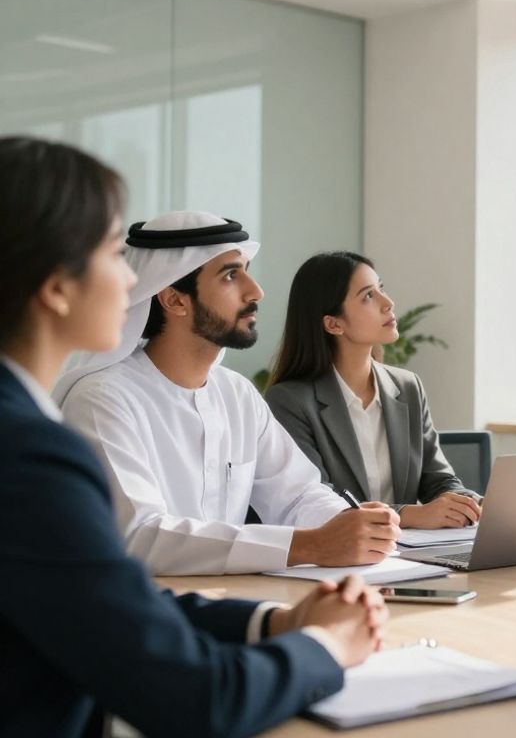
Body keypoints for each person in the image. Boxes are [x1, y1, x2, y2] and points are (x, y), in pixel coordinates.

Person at [0, 135, 388, 738]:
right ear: (56, 287)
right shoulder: (33, 450)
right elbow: (198, 697)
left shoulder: (232, 394)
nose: (126, 279)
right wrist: (327, 644)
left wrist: (274, 621)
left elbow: (98, 592)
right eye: (110, 252)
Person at [57, 211, 400, 576]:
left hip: (231, 601)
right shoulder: (102, 399)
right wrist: (312, 545)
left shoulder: (236, 394)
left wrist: (353, 525)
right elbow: (141, 536)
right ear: (175, 299)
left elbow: (297, 493)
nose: (256, 292)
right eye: (231, 275)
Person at [265, 251, 482, 528]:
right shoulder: (289, 402)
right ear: (333, 323)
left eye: (381, 289)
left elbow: (438, 480)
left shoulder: (407, 387)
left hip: (411, 554)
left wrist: (476, 504)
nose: (388, 303)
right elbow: (313, 501)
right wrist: (409, 514)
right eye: (368, 296)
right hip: (340, 559)